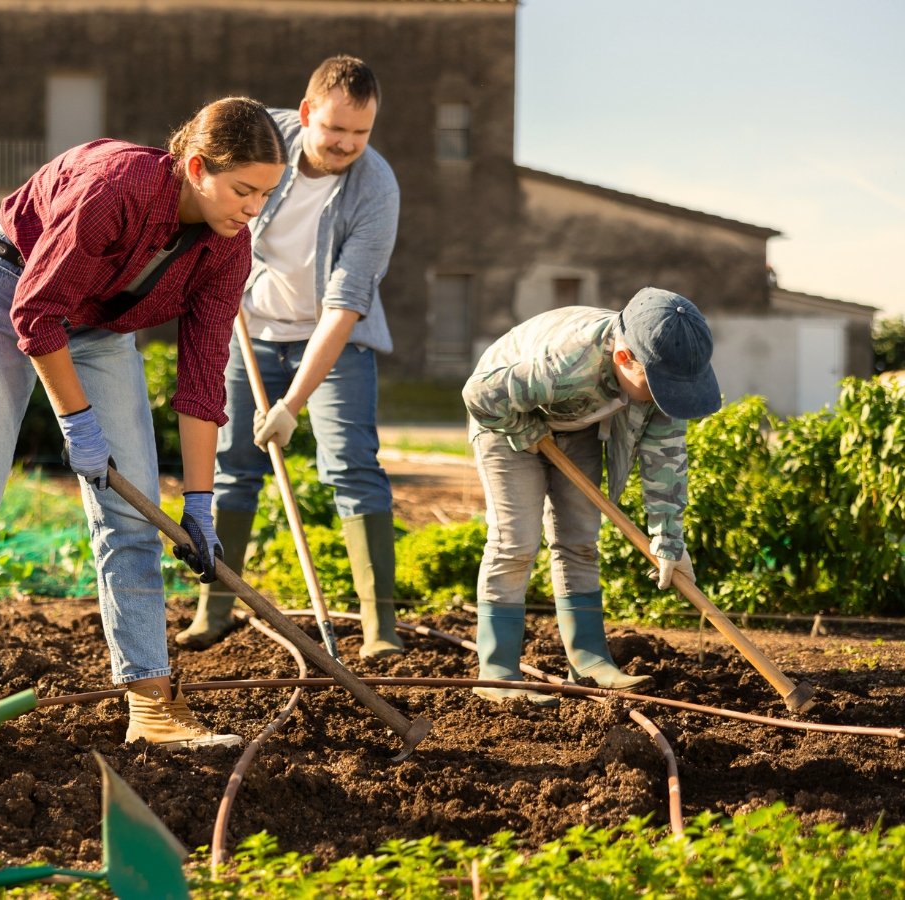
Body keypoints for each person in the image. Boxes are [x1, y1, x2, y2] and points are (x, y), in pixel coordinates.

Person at [0, 97, 288, 749]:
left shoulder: (227, 250)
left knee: (132, 517)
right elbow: (37, 315)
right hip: (9, 290)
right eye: (243, 190)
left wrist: (200, 502)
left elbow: (202, 379)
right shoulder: (114, 188)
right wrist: (79, 424)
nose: (252, 208)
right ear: (198, 167)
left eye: (265, 194)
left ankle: (151, 704)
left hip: (102, 329)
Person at [175, 56, 405, 660]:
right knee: (233, 467)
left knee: (354, 468)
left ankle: (381, 628)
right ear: (305, 115)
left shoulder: (376, 189)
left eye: (361, 133)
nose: (347, 144)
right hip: (250, 326)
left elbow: (346, 304)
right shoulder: (264, 138)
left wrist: (292, 403)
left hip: (334, 342)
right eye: (335, 130)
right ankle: (213, 609)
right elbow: (203, 176)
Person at [462, 287, 721, 705]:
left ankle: (589, 662)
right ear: (623, 358)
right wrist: (528, 432)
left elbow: (665, 460)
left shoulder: (661, 376)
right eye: (656, 385)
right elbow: (479, 394)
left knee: (580, 539)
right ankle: (498, 675)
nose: (662, 396)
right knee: (515, 543)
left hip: (572, 420)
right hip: (503, 418)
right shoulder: (568, 362)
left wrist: (669, 538)